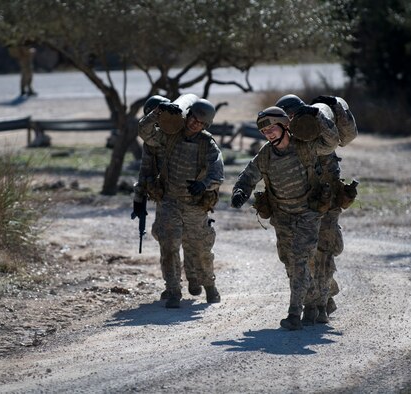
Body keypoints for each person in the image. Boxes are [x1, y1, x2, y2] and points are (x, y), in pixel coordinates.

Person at [231, 105, 340, 330]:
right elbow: (249, 175)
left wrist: (318, 116)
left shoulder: (306, 147)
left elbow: (331, 142)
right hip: (282, 217)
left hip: (308, 214)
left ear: (285, 125)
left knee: (301, 259)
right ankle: (313, 305)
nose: (268, 133)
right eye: (264, 131)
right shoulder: (266, 154)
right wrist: (240, 191)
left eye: (272, 128)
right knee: (290, 263)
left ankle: (294, 313)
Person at [132, 95, 224, 308]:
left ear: (206, 125)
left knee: (200, 248)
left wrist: (205, 184)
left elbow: (218, 174)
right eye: (193, 119)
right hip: (169, 201)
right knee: (169, 246)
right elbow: (145, 133)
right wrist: (157, 113)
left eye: (201, 123)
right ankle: (173, 290)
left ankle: (209, 285)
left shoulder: (208, 144)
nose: (195, 124)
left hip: (194, 205)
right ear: (188, 115)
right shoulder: (169, 136)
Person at [275, 94, 358, 324]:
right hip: (295, 205)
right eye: (286, 117)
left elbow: (340, 139)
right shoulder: (282, 140)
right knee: (296, 257)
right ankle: (322, 296)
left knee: (323, 253)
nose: (290, 121)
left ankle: (318, 305)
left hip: (325, 201)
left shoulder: (319, 133)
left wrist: (324, 112)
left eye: (293, 116)